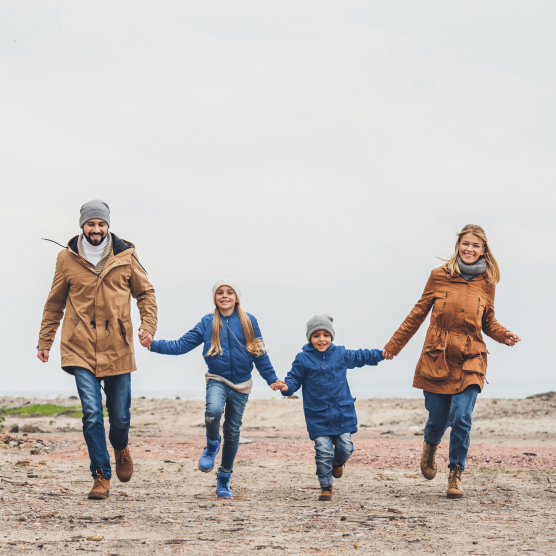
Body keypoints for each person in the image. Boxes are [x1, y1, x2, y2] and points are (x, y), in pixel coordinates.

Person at [383, 224, 520, 498]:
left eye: (476, 245)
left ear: (484, 250)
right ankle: (430, 445)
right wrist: (394, 345)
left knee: (462, 417)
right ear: (458, 245)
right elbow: (417, 313)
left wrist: (503, 334)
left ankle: (455, 473)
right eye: (465, 244)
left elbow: (488, 321)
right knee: (438, 419)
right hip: (438, 358)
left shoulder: (487, 283)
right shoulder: (439, 276)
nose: (470, 249)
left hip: (472, 357)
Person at [37, 200, 157, 500]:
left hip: (118, 346)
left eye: (101, 224)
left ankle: (120, 446)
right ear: (82, 226)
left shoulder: (126, 255)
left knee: (119, 418)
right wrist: (45, 341)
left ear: (107, 226)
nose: (96, 229)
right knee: (91, 413)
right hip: (79, 346)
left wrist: (148, 326)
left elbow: (145, 293)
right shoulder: (66, 258)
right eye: (91, 224)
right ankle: (101, 476)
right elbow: (55, 303)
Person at [140, 279, 284, 499]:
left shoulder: (249, 321)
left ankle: (224, 478)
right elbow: (181, 345)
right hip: (217, 378)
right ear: (214, 298)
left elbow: (259, 354)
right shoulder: (208, 322)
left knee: (233, 431)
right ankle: (212, 444)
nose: (224, 296)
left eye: (229, 292)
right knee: (213, 411)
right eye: (219, 293)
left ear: (236, 297)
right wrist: (152, 344)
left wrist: (272, 379)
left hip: (242, 384)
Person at [279, 314, 385, 501]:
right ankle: (326, 486)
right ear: (310, 338)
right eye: (316, 335)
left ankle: (337, 463)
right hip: (317, 414)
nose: (321, 339)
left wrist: (382, 353)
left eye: (326, 335)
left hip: (342, 412)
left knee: (345, 448)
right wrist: (287, 387)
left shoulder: (341, 354)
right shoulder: (303, 359)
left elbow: (362, 356)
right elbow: (294, 378)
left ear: (331, 336)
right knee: (323, 449)